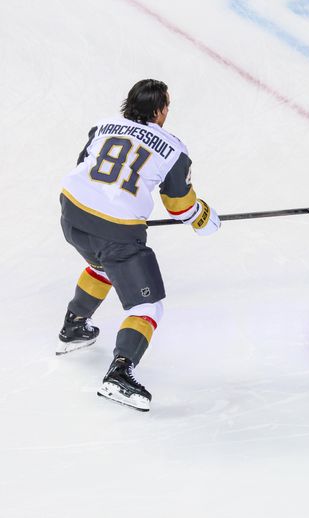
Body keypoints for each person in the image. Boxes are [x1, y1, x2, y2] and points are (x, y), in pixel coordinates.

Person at [58, 79, 220, 411]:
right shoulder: (173, 148)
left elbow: (85, 168)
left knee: (102, 263)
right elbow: (180, 207)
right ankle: (120, 373)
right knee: (147, 307)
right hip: (116, 232)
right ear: (160, 110)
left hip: (71, 213)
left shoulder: (102, 127)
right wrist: (202, 217)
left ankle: (74, 324)